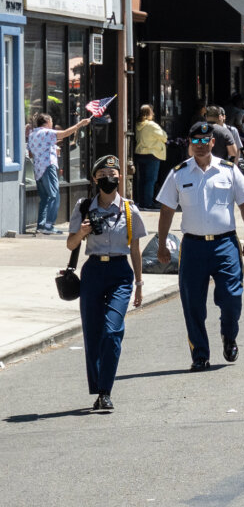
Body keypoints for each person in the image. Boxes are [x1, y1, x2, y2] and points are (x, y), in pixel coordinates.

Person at [155, 120, 244, 369]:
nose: (201, 146)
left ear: (213, 142)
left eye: (205, 141)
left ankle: (229, 335)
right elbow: (166, 210)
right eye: (196, 141)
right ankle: (200, 355)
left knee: (232, 297)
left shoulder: (228, 170)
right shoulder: (178, 173)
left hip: (225, 244)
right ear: (190, 143)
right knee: (193, 303)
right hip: (193, 246)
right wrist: (161, 245)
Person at [66, 155, 145, 412]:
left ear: (120, 177)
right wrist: (83, 232)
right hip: (93, 271)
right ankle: (99, 390)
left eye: (112, 175)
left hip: (120, 272)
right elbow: (71, 244)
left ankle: (106, 390)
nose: (108, 179)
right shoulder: (84, 206)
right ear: (95, 179)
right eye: (102, 176)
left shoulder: (130, 210)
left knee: (112, 332)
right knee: (93, 333)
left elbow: (135, 248)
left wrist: (139, 283)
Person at [27, 113, 91, 234]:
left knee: (45, 198)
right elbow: (65, 133)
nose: (52, 124)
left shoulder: (32, 134)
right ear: (47, 121)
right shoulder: (46, 132)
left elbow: (30, 154)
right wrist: (80, 124)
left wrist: (49, 148)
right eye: (51, 122)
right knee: (54, 196)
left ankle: (41, 225)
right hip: (48, 166)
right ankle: (48, 225)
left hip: (38, 169)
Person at [133, 106, 168, 209]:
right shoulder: (152, 125)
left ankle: (142, 202)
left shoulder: (137, 125)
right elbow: (164, 137)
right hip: (152, 154)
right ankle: (148, 203)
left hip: (140, 153)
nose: (153, 114)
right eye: (152, 112)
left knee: (142, 180)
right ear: (148, 113)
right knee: (150, 180)